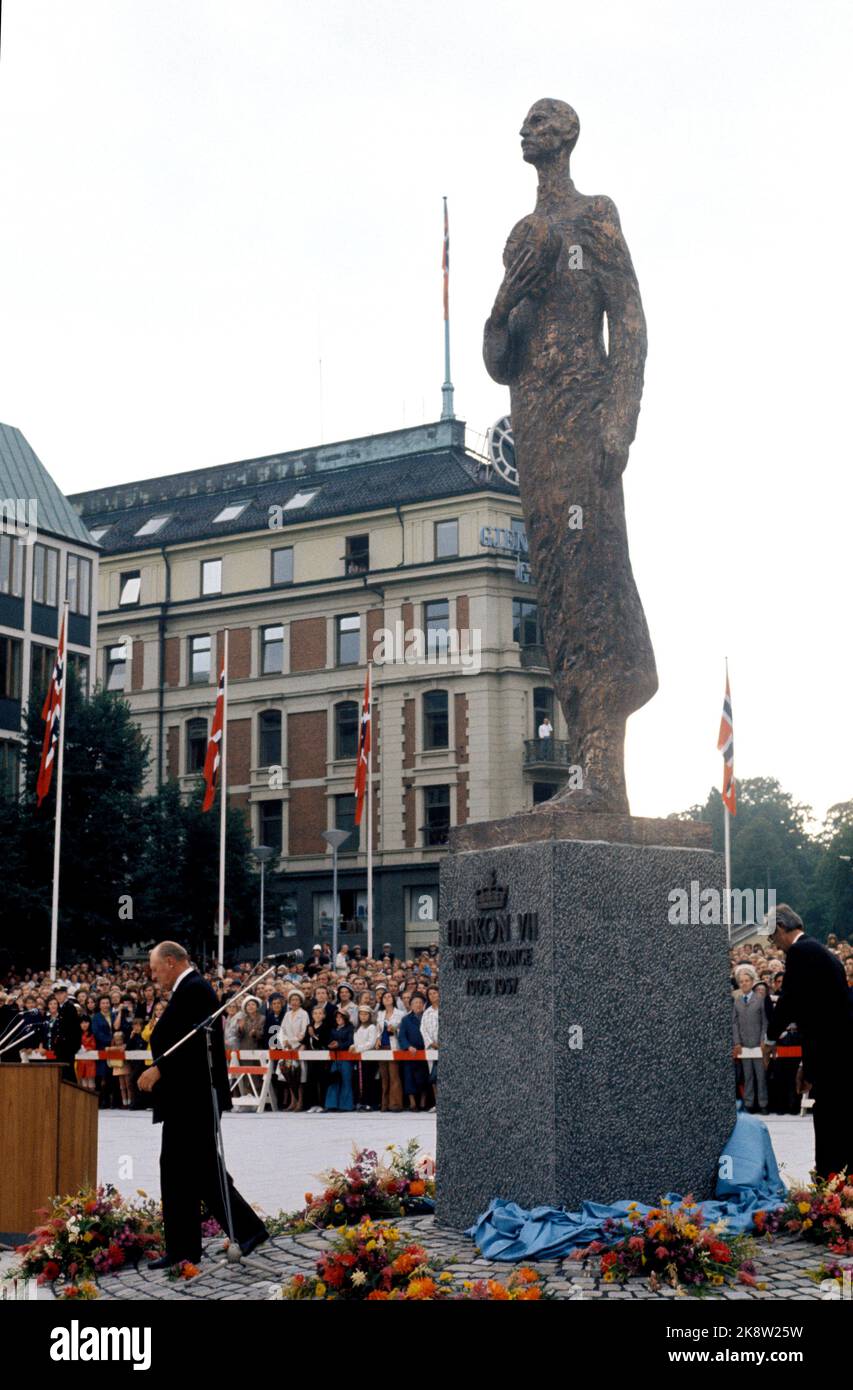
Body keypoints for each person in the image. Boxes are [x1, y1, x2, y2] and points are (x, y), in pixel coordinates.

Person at [137, 941, 268, 1268]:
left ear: (170, 962)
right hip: (184, 1097)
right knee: (184, 1171)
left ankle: (245, 1230)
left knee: (197, 1168)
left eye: (154, 970)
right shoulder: (187, 989)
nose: (154, 977)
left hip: (194, 1096)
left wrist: (160, 1068)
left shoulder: (195, 990)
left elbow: (194, 1046)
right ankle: (186, 1247)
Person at [766, 904, 853, 1179]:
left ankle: (830, 1190)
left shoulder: (801, 953)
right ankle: (840, 1187)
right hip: (836, 1056)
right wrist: (807, 1064)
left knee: (830, 1128)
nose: (774, 945)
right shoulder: (821, 953)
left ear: (781, 928)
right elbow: (816, 1014)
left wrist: (770, 1037)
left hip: (832, 1058)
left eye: (772, 938)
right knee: (838, 1124)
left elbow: (790, 1000)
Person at [731, 965, 768, 1115]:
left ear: (752, 982)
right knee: (748, 1076)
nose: (744, 984)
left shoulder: (760, 1000)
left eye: (747, 981)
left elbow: (765, 1022)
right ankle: (749, 1103)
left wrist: (763, 1040)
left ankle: (763, 1103)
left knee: (761, 1075)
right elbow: (734, 1022)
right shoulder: (738, 1001)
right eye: (741, 981)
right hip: (744, 1045)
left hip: (758, 1043)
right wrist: (737, 1042)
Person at [398, 994, 430, 1111]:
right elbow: (402, 1037)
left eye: (420, 1002)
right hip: (410, 1053)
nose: (418, 1005)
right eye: (415, 1002)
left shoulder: (427, 1016)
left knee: (424, 1077)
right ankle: (412, 1103)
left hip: (424, 1051)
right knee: (409, 1077)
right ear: (410, 1005)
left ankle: (423, 1101)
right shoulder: (406, 1019)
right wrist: (408, 1046)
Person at [324, 1007, 355, 1112]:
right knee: (334, 1080)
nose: (338, 1019)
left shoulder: (350, 1028)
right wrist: (330, 1044)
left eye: (340, 1017)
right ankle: (331, 1104)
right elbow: (328, 1040)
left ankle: (345, 1105)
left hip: (346, 1057)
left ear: (345, 1018)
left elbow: (350, 1041)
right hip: (335, 1058)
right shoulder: (333, 1029)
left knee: (346, 1080)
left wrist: (339, 1044)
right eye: (337, 1017)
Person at [353, 1005, 380, 1110]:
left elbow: (371, 1043)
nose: (363, 1016)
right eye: (361, 1014)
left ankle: (371, 1102)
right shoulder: (357, 1028)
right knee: (360, 1080)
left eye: (365, 1014)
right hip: (360, 1058)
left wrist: (358, 1048)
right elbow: (356, 1041)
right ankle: (362, 1101)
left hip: (369, 1058)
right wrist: (355, 1047)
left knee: (369, 1080)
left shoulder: (371, 1027)